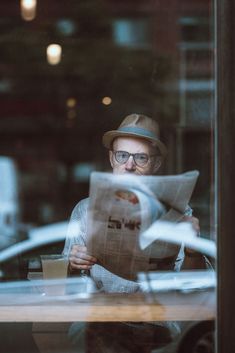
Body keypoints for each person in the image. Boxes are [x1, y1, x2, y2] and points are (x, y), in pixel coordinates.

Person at [63, 113, 206, 353]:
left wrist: (192, 249)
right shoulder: (85, 210)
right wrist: (73, 263)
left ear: (156, 164)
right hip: (98, 321)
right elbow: (65, 288)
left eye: (141, 157)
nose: (129, 165)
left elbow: (194, 289)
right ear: (111, 159)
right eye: (122, 155)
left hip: (154, 323)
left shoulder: (179, 214)